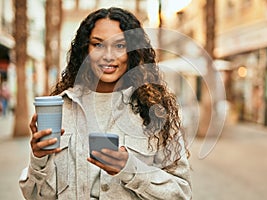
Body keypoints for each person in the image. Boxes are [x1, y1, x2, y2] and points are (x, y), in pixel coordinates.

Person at [19, 7, 192, 199]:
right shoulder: (61, 109)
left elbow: (181, 193)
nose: (108, 55)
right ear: (85, 50)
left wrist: (129, 169)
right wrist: (38, 158)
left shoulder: (155, 111)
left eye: (119, 46)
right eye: (98, 45)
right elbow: (34, 196)